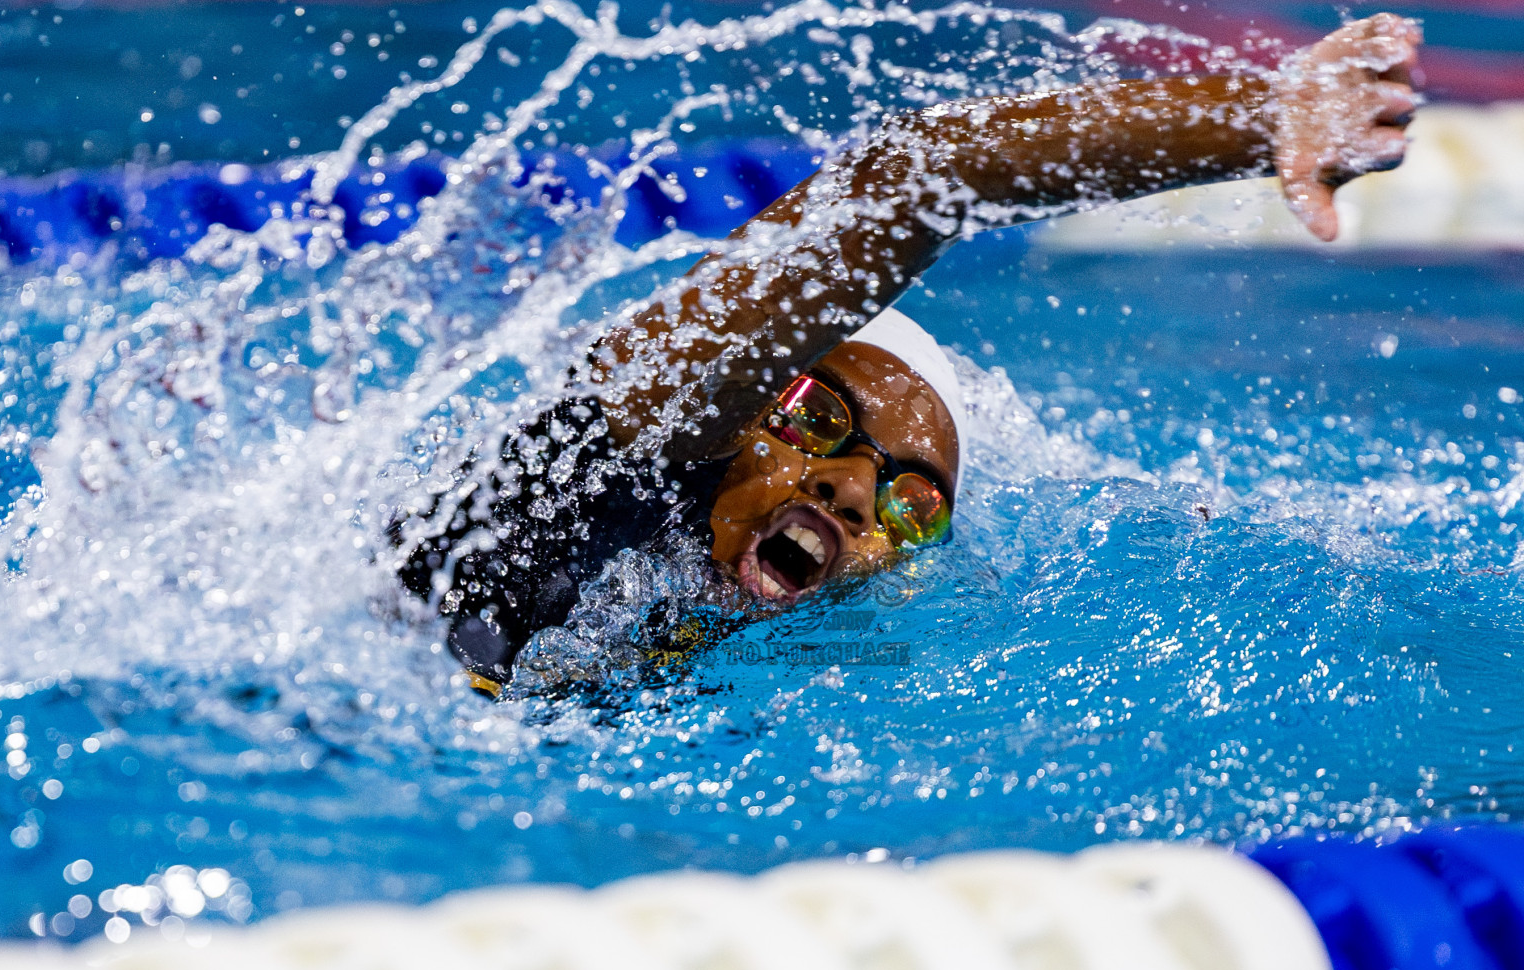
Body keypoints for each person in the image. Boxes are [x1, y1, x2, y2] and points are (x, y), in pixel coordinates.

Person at [390, 14, 1422, 695]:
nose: (848, 491)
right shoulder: (626, 446)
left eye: (909, 504)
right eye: (821, 419)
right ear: (750, 393)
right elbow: (914, 176)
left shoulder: (753, 655)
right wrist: (1257, 117)